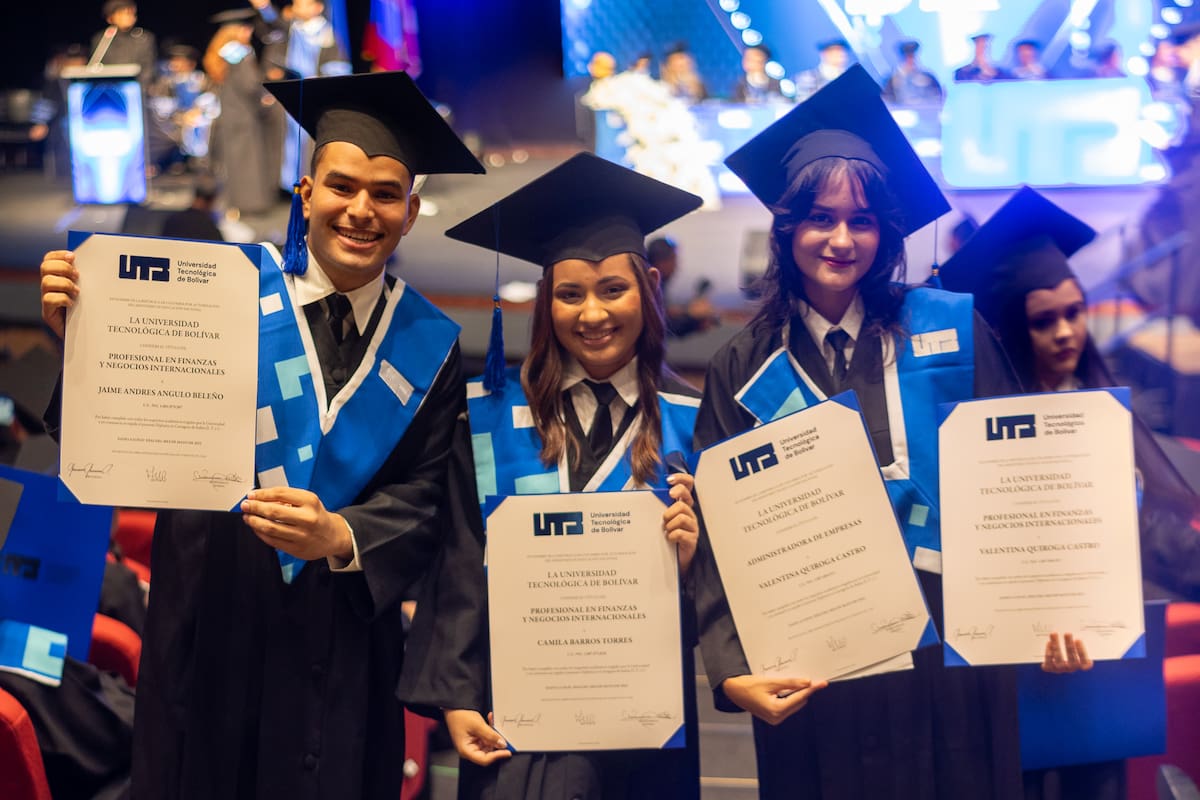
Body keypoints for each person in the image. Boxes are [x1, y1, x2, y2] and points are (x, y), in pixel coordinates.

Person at [39, 69, 485, 800]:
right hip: (211, 623)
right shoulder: (217, 296)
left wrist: (344, 534)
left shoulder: (430, 345)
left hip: (345, 645)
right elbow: (116, 435)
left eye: (385, 195)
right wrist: (87, 346)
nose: (361, 210)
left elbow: (430, 497)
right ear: (305, 195)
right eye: (341, 186)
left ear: (410, 213)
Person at [689, 65, 1090, 800]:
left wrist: (1055, 608)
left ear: (887, 231)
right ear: (787, 226)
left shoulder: (951, 329)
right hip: (816, 668)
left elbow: (1024, 476)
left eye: (864, 220)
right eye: (821, 217)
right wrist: (731, 666)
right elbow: (717, 535)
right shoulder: (741, 368)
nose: (842, 239)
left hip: (953, 660)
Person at [398, 152, 705, 799]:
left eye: (613, 290)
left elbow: (729, 595)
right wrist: (457, 697)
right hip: (514, 726)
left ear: (649, 285)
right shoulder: (490, 419)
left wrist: (689, 565)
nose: (592, 314)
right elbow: (460, 564)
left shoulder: (695, 424)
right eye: (570, 294)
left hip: (644, 730)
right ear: (546, 300)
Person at [939, 186, 1200, 606]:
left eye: (1074, 313)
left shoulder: (1093, 404)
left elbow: (1143, 523)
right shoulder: (980, 429)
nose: (1065, 333)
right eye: (1043, 321)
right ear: (1008, 330)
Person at [249, 0, 351, 192]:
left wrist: (320, 80)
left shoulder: (327, 34)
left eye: (303, 4)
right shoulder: (292, 29)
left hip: (316, 95)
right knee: (287, 141)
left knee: (311, 144)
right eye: (296, 4)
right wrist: (264, 7)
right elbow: (274, 24)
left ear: (318, 7)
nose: (297, 8)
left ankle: (311, 185)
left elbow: (338, 67)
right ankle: (288, 186)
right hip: (292, 92)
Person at [203, 9, 276, 217]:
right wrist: (265, 97)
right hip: (245, 115)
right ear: (235, 31)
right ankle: (251, 204)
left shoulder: (221, 52)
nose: (249, 32)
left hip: (228, 115)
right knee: (248, 161)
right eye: (245, 28)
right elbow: (250, 85)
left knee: (234, 162)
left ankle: (233, 204)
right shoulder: (242, 53)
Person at [646, 236, 719, 337]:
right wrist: (692, 317)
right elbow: (659, 326)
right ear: (661, 262)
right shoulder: (649, 288)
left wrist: (687, 311)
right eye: (674, 260)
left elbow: (664, 312)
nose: (676, 266)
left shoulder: (655, 284)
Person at [90, 0, 157, 88]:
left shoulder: (144, 38)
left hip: (137, 87)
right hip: (108, 88)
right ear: (110, 18)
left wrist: (138, 87)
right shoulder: (102, 39)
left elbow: (148, 69)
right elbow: (95, 68)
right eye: (123, 13)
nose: (129, 17)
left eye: (131, 13)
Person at [881, 39, 943, 104]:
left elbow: (938, 98)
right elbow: (886, 100)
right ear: (902, 58)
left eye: (912, 56)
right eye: (908, 57)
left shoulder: (929, 78)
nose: (911, 60)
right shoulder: (891, 80)